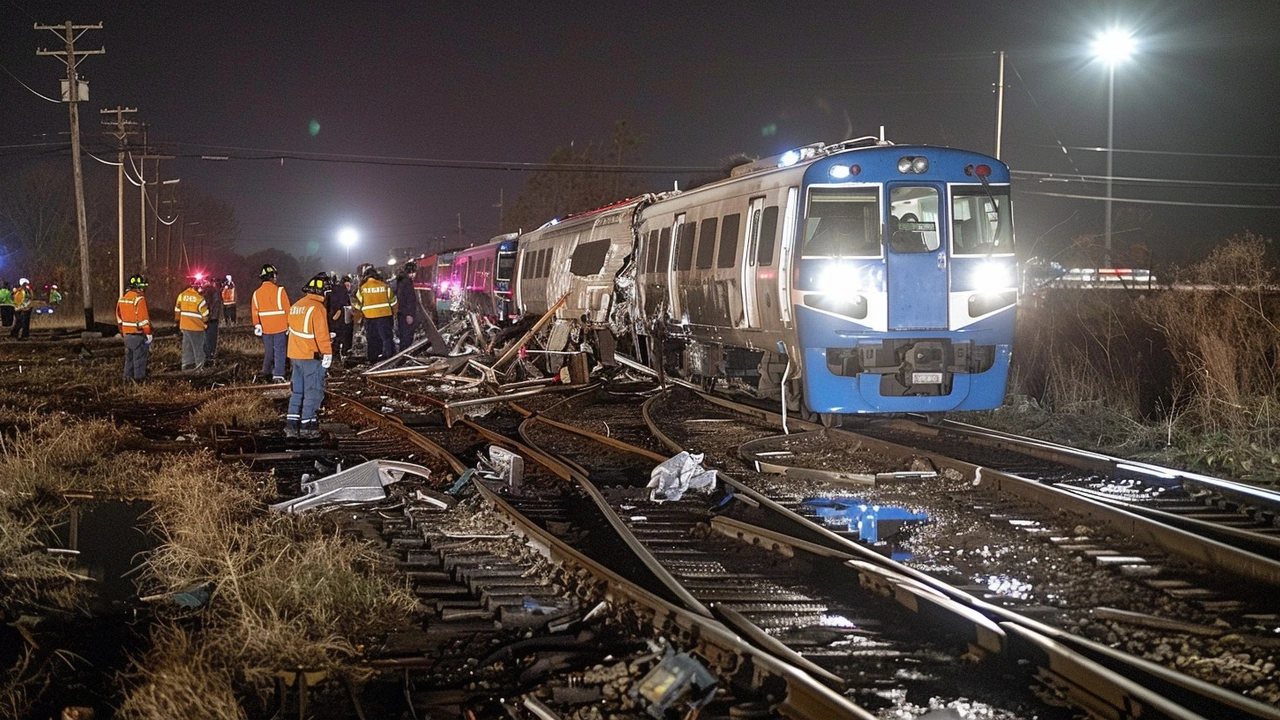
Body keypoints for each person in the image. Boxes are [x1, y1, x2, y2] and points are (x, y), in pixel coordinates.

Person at [285, 273, 334, 439]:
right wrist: (327, 353)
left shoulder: (296, 305)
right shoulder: (318, 308)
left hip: (295, 355)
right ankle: (308, 427)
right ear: (323, 292)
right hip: (310, 356)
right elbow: (321, 334)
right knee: (313, 391)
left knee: (298, 391)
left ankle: (291, 425)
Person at [394, 260, 448, 356]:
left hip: (402, 313)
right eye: (414, 272)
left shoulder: (400, 281)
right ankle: (404, 356)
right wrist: (409, 314)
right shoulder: (406, 282)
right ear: (411, 272)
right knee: (407, 337)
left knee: (404, 336)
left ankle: (403, 355)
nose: (415, 275)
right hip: (406, 314)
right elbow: (408, 300)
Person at [251, 264, 291, 382]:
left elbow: (254, 310)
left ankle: (266, 371)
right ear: (272, 276)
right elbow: (287, 309)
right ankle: (278, 374)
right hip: (280, 326)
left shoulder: (256, 293)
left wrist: (257, 324)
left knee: (269, 350)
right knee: (280, 350)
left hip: (265, 327)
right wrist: (289, 324)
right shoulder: (280, 291)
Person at [352, 263, 397, 363]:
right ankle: (389, 358)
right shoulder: (385, 286)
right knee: (386, 338)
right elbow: (393, 301)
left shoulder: (362, 288)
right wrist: (394, 313)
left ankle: (373, 359)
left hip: (370, 317)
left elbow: (357, 302)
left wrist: (362, 309)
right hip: (385, 316)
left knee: (372, 339)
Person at [116, 274, 153, 381]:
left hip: (127, 336)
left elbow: (119, 319)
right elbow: (144, 320)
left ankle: (127, 381)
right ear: (138, 287)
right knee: (139, 361)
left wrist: (123, 332)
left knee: (129, 360)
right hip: (138, 335)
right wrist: (148, 334)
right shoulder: (139, 299)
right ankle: (139, 382)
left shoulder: (122, 299)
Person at [174, 278, 209, 370]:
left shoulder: (182, 295)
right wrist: (205, 323)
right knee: (198, 349)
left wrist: (178, 321)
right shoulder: (200, 299)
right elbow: (205, 316)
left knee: (187, 348)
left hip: (184, 326)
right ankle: (199, 368)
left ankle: (186, 366)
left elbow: (177, 310)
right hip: (197, 327)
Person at [328, 273, 354, 363]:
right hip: (340, 320)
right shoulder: (341, 291)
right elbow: (342, 305)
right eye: (347, 285)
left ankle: (337, 355)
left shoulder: (335, 290)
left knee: (335, 338)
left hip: (335, 319)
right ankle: (341, 355)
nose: (349, 287)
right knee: (342, 337)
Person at [201, 277, 222, 361]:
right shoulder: (214, 291)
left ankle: (206, 355)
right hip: (213, 319)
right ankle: (210, 355)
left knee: (205, 338)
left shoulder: (204, 292)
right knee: (211, 339)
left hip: (205, 319)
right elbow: (216, 305)